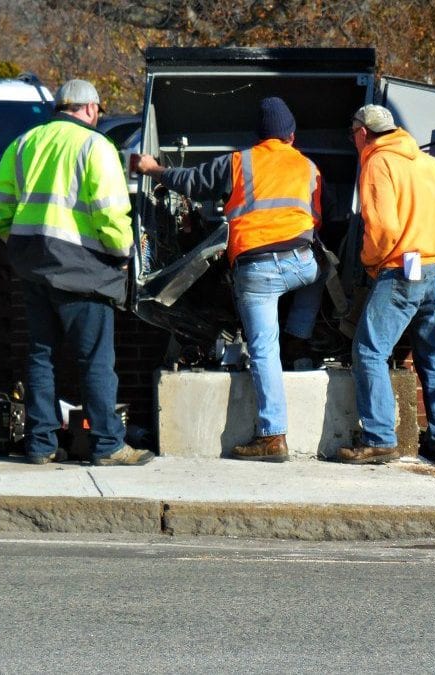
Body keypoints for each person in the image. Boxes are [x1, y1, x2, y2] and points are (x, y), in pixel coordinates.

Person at [135, 96, 325, 463]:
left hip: (257, 271)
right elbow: (318, 219)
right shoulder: (310, 167)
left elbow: (191, 182)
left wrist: (153, 169)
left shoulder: (241, 161)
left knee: (264, 350)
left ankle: (273, 436)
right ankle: (299, 337)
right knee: (324, 270)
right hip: (301, 263)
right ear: (292, 134)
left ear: (259, 135)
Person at [0, 79, 154, 467]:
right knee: (94, 360)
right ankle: (108, 444)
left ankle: (40, 444)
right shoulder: (97, 146)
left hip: (34, 267)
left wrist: (20, 242)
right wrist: (122, 253)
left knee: (39, 357)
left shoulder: (24, 143)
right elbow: (111, 212)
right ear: (92, 109)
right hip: (84, 270)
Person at [335, 104, 435, 465]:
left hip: (402, 268)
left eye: (352, 135)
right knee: (433, 355)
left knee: (369, 350)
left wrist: (371, 263)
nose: (353, 141)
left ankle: (379, 438)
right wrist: (434, 241)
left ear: (363, 132)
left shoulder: (377, 163)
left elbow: (383, 227)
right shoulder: (425, 162)